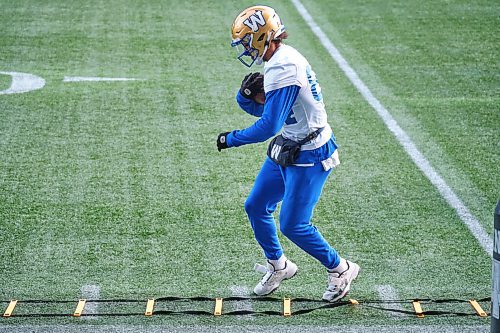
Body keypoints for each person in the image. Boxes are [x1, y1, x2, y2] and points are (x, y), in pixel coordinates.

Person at [216, 5, 360, 302]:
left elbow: (269, 125)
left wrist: (231, 139)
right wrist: (244, 100)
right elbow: (274, 114)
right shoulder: (278, 59)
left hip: (309, 152)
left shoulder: (283, 67)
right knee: (256, 205)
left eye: (246, 40)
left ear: (261, 36)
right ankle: (279, 265)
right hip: (291, 144)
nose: (244, 47)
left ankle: (341, 268)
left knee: (294, 225)